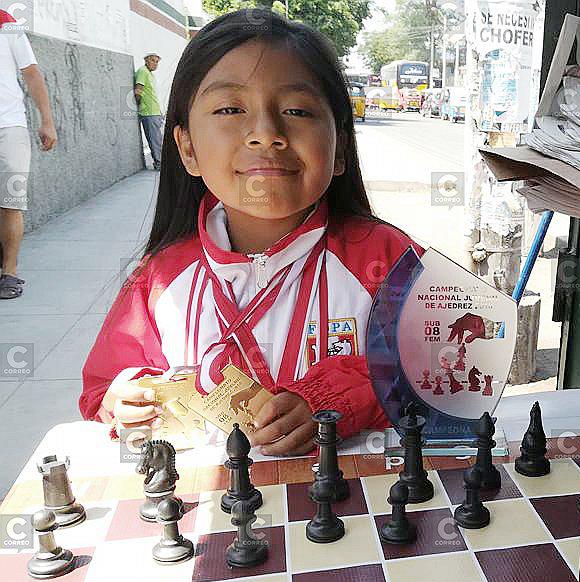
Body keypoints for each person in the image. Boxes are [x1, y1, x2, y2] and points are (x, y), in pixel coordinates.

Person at [79, 10, 419, 456]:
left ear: (340, 148)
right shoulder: (158, 279)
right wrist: (123, 398)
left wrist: (334, 401)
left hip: (354, 508)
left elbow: (443, 368)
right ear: (188, 149)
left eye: (297, 110)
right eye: (230, 109)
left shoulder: (388, 260)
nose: (265, 134)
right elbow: (103, 386)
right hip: (212, 511)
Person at [0, 9, 57, 300]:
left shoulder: (6, 23)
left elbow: (32, 73)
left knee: (11, 202)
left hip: (8, 127)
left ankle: (9, 272)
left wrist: (46, 120)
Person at [134, 52, 163, 170]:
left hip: (155, 112)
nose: (155, 64)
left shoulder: (150, 74)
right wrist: (140, 104)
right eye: (153, 60)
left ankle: (160, 161)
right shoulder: (143, 72)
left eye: (157, 62)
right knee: (154, 139)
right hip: (148, 112)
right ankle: (159, 163)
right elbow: (138, 91)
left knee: (157, 138)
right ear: (146, 60)